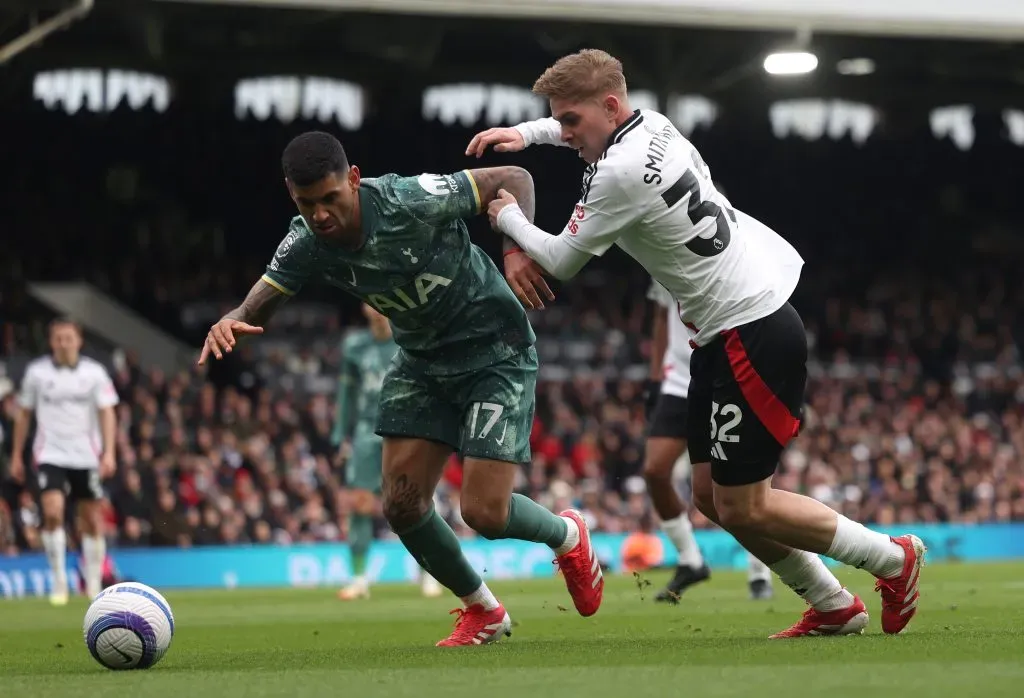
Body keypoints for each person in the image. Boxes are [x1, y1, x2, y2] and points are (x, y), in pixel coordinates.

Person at [467, 48, 925, 638]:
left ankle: (894, 560)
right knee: (710, 496)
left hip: (750, 331)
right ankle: (831, 603)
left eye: (572, 122)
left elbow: (560, 259)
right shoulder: (653, 124)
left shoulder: (617, 174)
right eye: (560, 122)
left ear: (609, 107)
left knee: (745, 504)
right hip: (721, 330)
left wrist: (506, 217)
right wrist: (529, 134)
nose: (568, 134)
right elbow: (577, 124)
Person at [198, 131, 603, 647]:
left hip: (494, 351)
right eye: (307, 204)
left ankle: (568, 535)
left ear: (353, 178)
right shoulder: (306, 241)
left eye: (330, 199)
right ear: (290, 195)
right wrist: (232, 319)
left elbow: (512, 177)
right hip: (421, 363)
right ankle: (484, 611)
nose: (321, 214)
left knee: (483, 513)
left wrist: (516, 245)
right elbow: (266, 293)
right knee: (403, 504)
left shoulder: (408, 199)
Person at [644, 280, 773, 602]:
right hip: (677, 380)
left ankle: (760, 569)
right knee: (655, 470)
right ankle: (691, 559)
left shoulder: (721, 254)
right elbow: (662, 316)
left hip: (722, 373)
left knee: (735, 483)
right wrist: (655, 378)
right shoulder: (654, 253)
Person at [332, 302, 442, 600]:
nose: (377, 310)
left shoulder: (409, 339)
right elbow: (347, 392)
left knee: (416, 501)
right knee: (360, 502)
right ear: (365, 308)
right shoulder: (354, 346)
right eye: (371, 304)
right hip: (368, 429)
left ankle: (429, 574)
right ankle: (359, 579)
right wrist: (340, 433)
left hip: (406, 427)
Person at [8, 318, 119, 604]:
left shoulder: (95, 373)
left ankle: (93, 581)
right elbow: (23, 414)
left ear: (79, 341)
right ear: (51, 341)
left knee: (91, 520)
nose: (63, 343)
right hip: (50, 453)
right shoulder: (37, 373)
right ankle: (59, 579)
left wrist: (109, 452)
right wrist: (17, 455)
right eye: (58, 338)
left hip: (86, 455)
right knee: (53, 512)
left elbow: (107, 412)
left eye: (68, 338)